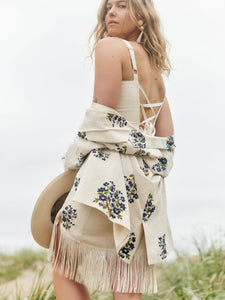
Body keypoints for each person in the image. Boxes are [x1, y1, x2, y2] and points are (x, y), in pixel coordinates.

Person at [50, 0, 174, 299]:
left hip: (105, 173)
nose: (111, 12)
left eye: (122, 5)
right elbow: (167, 139)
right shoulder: (156, 69)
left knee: (62, 254)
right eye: (108, 7)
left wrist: (73, 158)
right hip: (145, 183)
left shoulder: (110, 47)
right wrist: (148, 163)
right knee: (127, 272)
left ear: (142, 15)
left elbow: (100, 119)